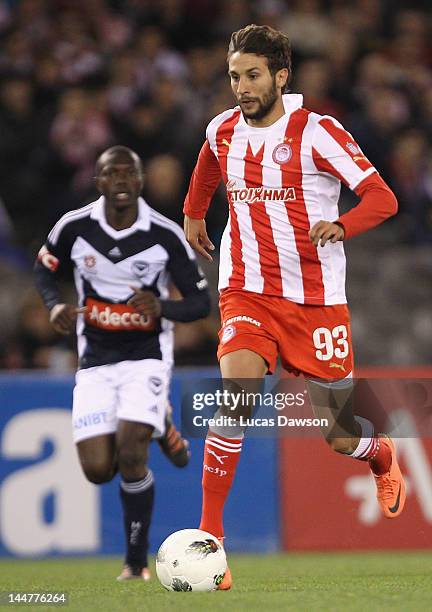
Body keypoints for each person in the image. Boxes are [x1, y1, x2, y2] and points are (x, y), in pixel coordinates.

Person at [183, 24, 405, 590]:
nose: (242, 87)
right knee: (235, 399)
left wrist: (342, 224)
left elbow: (383, 197)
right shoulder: (223, 128)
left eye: (252, 75)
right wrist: (193, 212)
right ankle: (213, 542)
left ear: (281, 76)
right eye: (234, 76)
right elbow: (209, 163)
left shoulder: (318, 132)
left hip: (315, 303)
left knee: (336, 433)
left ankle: (377, 454)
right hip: (246, 290)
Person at [34, 145, 210, 581]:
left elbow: (201, 302)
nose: (120, 181)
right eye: (111, 174)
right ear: (98, 182)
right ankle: (160, 422)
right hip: (94, 361)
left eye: (128, 174)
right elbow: (44, 270)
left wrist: (161, 308)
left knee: (132, 454)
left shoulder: (165, 235)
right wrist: (55, 305)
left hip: (145, 359)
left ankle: (135, 563)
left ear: (140, 181)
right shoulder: (73, 228)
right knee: (97, 470)